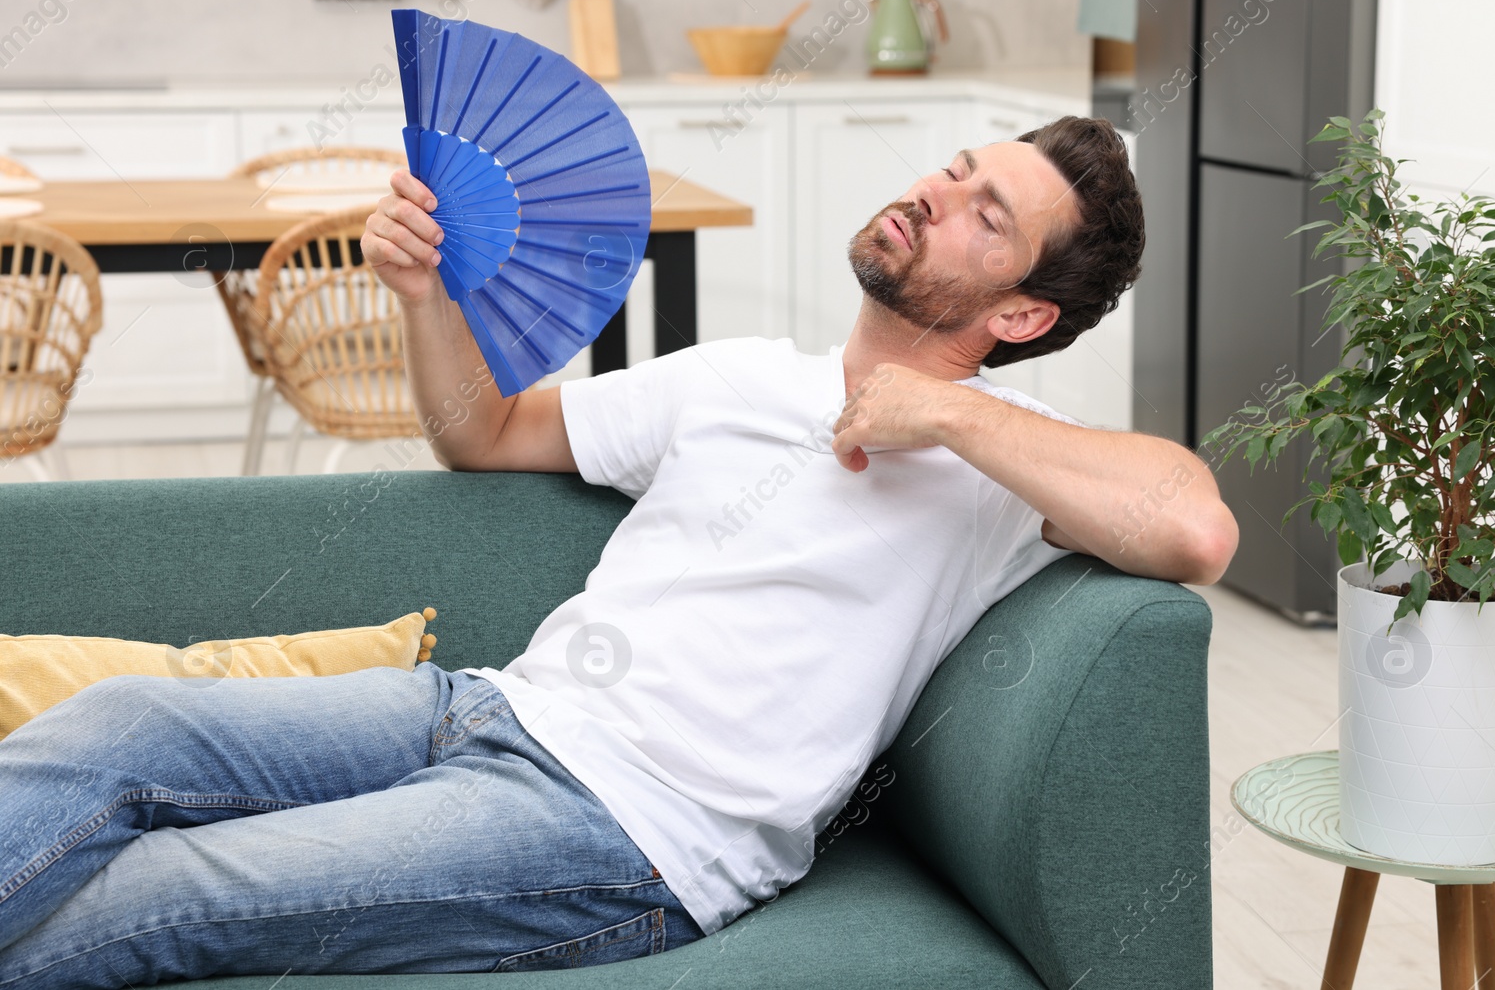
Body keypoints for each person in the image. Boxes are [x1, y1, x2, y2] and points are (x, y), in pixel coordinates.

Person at [0, 116, 1237, 986]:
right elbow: (480, 433)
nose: (933, 192)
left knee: (166, 891)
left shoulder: (1010, 466)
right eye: (953, 169)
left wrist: (946, 412)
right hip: (481, 707)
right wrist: (425, 295)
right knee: (119, 728)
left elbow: (1194, 526)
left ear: (1021, 313)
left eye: (985, 213)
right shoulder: (739, 376)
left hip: (627, 834)